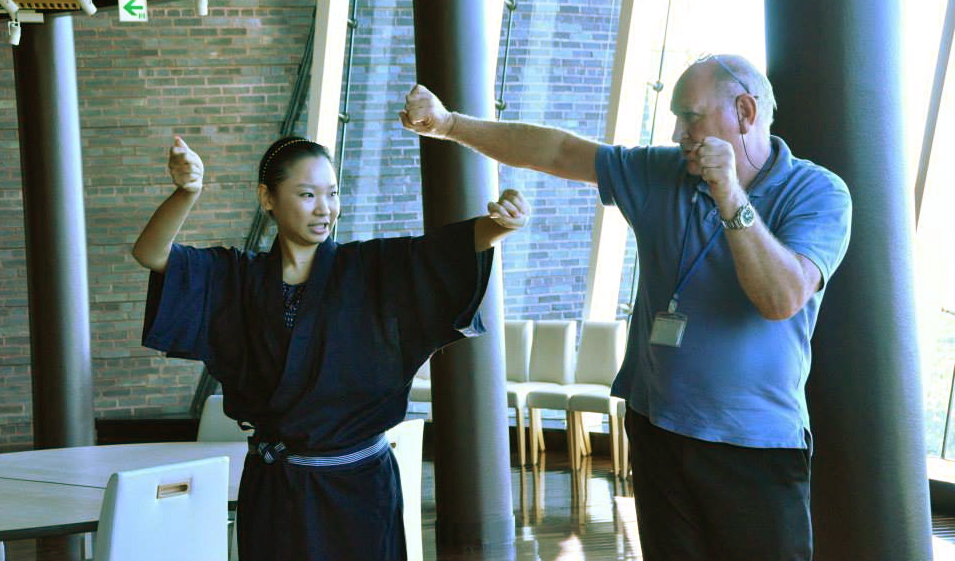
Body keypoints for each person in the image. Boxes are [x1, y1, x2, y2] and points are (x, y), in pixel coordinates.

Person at [400, 54, 852, 561]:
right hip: (656, 430)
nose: (677, 133)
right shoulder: (660, 171)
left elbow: (780, 299)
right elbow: (558, 150)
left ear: (745, 112)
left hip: (752, 446)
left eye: (691, 116)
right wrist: (449, 125)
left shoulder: (818, 192)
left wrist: (729, 196)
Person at [132, 135, 530, 560]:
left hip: (358, 492)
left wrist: (500, 225)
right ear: (267, 198)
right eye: (307, 195)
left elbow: (441, 252)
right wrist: (187, 192)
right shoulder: (237, 276)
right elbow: (151, 253)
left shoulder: (369, 267)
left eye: (332, 194)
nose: (324, 209)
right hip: (274, 489)